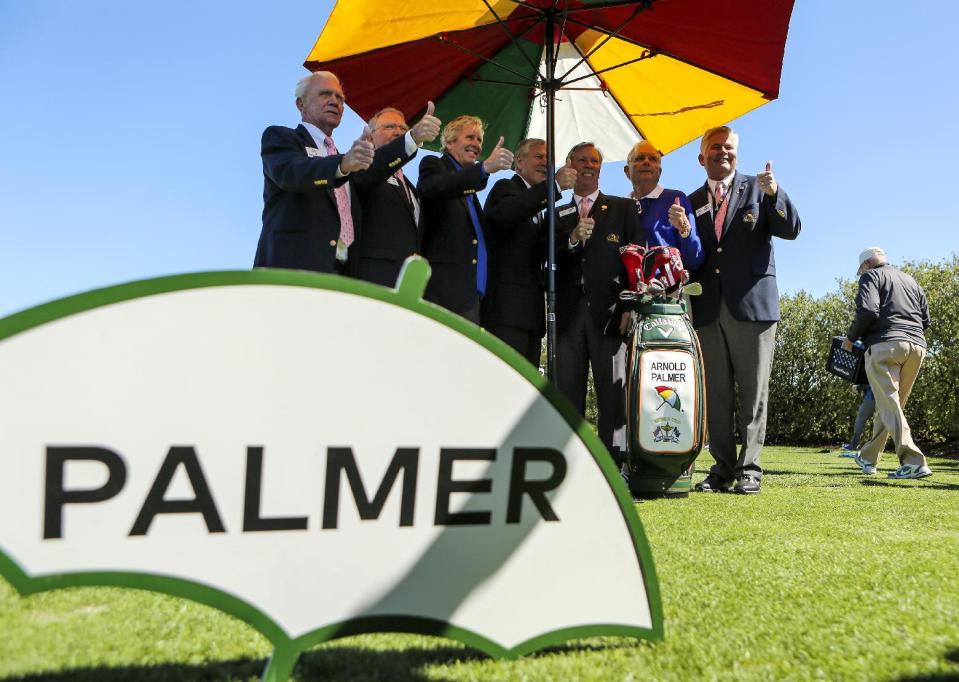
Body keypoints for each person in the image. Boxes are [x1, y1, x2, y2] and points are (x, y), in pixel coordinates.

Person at [687, 126, 801, 495]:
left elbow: (791, 229)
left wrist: (775, 193)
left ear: (738, 153)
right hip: (707, 308)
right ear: (702, 157)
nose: (723, 152)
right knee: (716, 394)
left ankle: (749, 468)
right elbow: (693, 254)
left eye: (729, 147)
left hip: (753, 307)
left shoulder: (758, 188)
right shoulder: (689, 201)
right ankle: (721, 468)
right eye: (715, 147)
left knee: (753, 393)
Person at [555, 142, 642, 468]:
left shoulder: (622, 208)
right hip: (566, 316)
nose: (588, 165)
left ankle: (613, 464)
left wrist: (630, 307)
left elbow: (637, 260)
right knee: (567, 394)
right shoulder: (557, 211)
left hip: (610, 315)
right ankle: (570, 465)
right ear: (569, 165)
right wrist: (572, 238)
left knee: (612, 394)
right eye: (582, 160)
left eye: (594, 161)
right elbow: (545, 256)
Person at [255, 71, 379, 274]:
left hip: (342, 275)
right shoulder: (281, 137)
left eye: (340, 98)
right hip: (292, 270)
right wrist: (342, 164)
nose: (334, 101)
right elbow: (293, 173)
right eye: (325, 94)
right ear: (301, 104)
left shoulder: (346, 161)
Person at [482, 138, 577, 365]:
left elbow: (542, 248)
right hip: (506, 313)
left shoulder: (539, 205)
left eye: (548, 159)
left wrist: (572, 238)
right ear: (519, 162)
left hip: (531, 316)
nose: (546, 162)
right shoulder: (506, 188)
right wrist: (553, 187)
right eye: (539, 157)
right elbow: (508, 214)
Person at [843, 247, 932, 479]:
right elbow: (926, 319)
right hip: (916, 347)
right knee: (891, 406)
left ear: (867, 265)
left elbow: (869, 311)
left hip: (885, 345)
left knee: (889, 404)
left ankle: (914, 461)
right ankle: (868, 457)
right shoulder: (910, 280)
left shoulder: (870, 276)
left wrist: (851, 338)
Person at [417, 116, 514, 323]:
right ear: (450, 142)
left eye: (479, 140)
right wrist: (484, 169)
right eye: (470, 137)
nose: (476, 144)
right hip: (445, 296)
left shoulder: (472, 188)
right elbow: (437, 187)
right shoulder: (433, 164)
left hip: (474, 301)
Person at [351, 104, 441, 287]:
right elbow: (374, 170)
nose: (399, 132)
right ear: (370, 136)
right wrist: (412, 138)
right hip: (372, 282)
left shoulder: (408, 186)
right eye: (390, 127)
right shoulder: (360, 166)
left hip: (406, 286)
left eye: (403, 129)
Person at [623, 140, 704, 271]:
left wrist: (685, 231)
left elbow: (695, 260)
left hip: (669, 289)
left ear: (659, 171)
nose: (647, 161)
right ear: (627, 171)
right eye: (640, 158)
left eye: (653, 159)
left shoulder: (675, 199)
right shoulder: (620, 208)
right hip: (629, 290)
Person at [840, 381, 875, 457]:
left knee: (860, 419)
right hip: (882, 397)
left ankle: (853, 445)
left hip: (871, 397)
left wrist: (858, 387)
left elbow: (872, 382)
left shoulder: (874, 369)